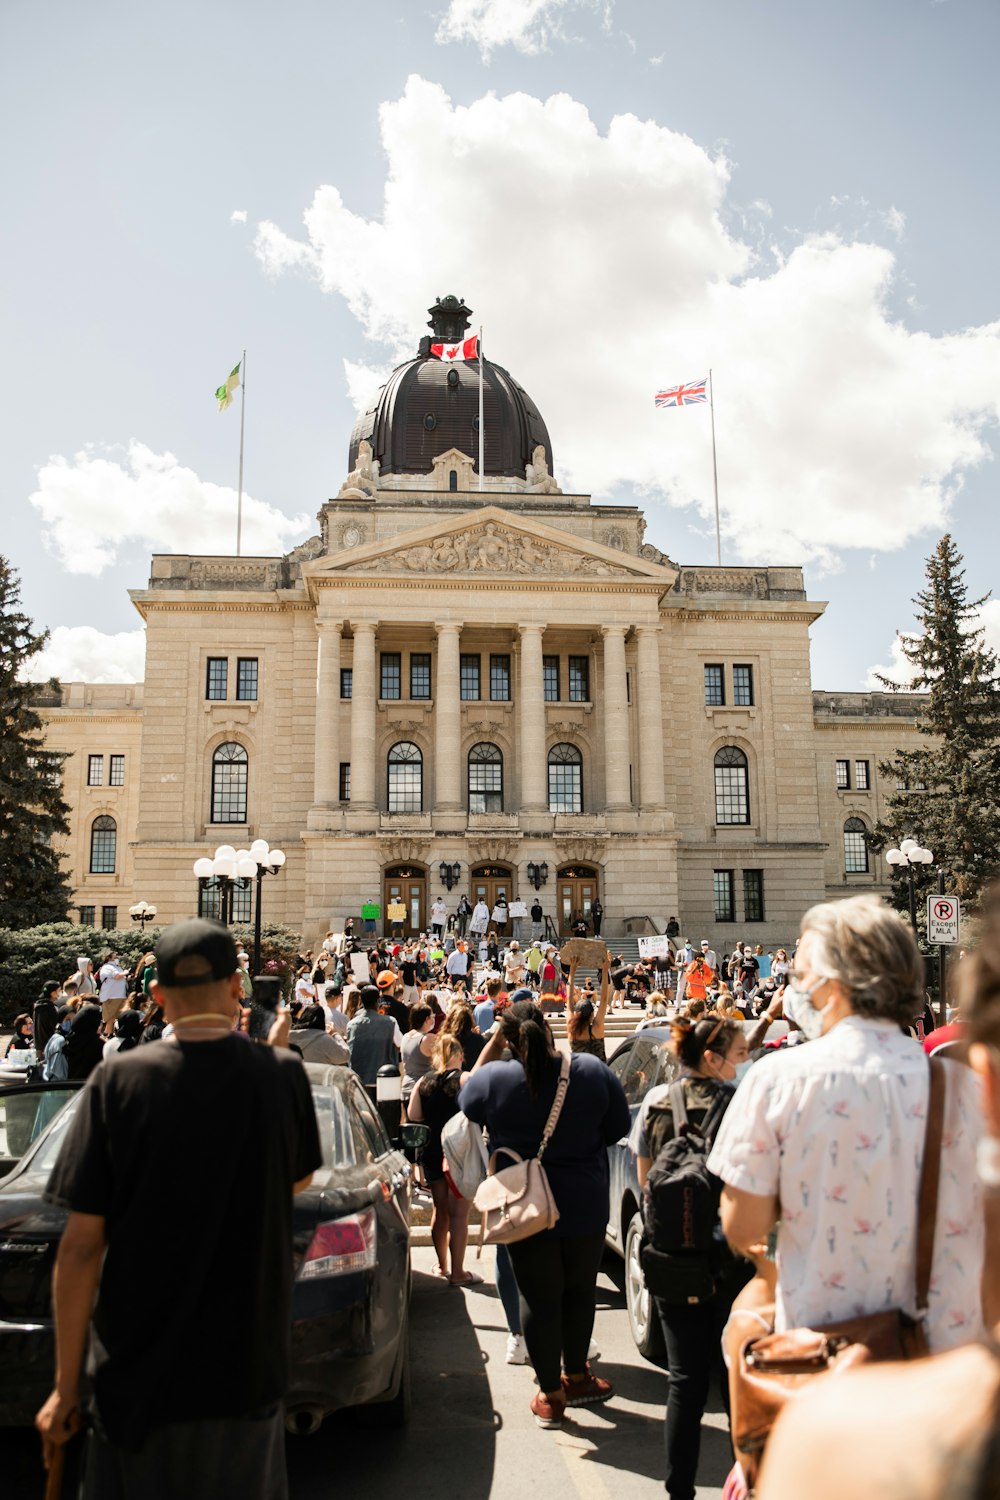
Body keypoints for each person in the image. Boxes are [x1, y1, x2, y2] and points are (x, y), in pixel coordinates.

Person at [35, 916, 322, 1499]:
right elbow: (297, 1182)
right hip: (244, 1370)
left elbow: (82, 1244)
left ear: (157, 996)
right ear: (238, 987)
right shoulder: (282, 1076)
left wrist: (65, 1388)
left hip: (134, 1373)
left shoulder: (116, 1081)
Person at [756, 883, 1000, 1500]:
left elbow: (742, 1223)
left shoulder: (828, 1444)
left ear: (988, 1084)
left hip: (836, 1368)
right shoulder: (951, 1087)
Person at [708, 894, 985, 1364]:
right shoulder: (965, 1085)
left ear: (832, 985)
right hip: (952, 1369)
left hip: (829, 1359)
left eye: (798, 976)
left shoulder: (778, 1080)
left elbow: (742, 1225)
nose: (792, 987)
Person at [459, 1002, 630, 1429]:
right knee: (579, 1291)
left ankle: (550, 1395)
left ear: (509, 1038)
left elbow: (467, 1098)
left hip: (524, 1202)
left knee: (538, 1296)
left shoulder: (497, 1077)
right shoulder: (591, 1070)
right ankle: (576, 1375)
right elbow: (618, 1128)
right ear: (550, 1029)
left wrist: (496, 1041)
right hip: (585, 1200)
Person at [630, 1014, 751, 1500]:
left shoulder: (658, 1102)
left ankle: (679, 1488)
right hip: (731, 1257)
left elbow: (644, 1180)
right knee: (734, 1376)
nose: (743, 1064)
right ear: (713, 1058)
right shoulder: (741, 1105)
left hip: (672, 1255)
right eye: (740, 1055)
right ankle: (745, 1479)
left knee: (685, 1381)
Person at [406, 1034, 481, 1287]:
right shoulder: (465, 1078)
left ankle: (442, 1265)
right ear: (459, 1055)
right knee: (459, 1213)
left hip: (433, 1150)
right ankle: (459, 1272)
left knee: (440, 1210)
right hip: (459, 1151)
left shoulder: (423, 1082)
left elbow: (413, 1114)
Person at [347, 985, 400, 1093]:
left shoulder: (351, 1025)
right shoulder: (390, 1022)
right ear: (378, 1000)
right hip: (384, 1079)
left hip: (359, 1080)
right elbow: (400, 1043)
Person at [566, 955, 612, 1060]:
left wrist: (572, 971)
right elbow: (604, 999)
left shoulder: (572, 1029)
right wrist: (605, 970)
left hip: (579, 1072)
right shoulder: (597, 1028)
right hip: (599, 1072)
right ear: (592, 1014)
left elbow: (569, 1001)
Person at [400, 1002, 437, 1102]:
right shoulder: (428, 1039)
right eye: (432, 1016)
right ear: (426, 1019)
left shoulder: (405, 1037)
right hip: (422, 1090)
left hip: (406, 1087)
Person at [97, 953, 129, 1034]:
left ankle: (110, 1033)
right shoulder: (107, 967)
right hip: (112, 996)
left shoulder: (116, 966)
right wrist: (125, 972)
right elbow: (117, 976)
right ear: (109, 957)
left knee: (116, 1017)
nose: (116, 957)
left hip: (120, 995)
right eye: (114, 956)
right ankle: (107, 1033)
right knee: (110, 1017)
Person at [33, 980, 62, 1054]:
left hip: (39, 1048)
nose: (60, 993)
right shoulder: (51, 1008)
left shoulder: (37, 1007)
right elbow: (56, 1028)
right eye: (59, 991)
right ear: (53, 993)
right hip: (50, 1049)